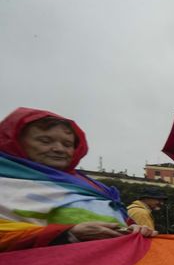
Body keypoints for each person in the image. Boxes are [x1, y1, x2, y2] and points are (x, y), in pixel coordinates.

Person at [0, 107, 155, 251]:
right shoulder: (4, 181)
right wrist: (67, 233)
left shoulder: (93, 186)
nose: (59, 149)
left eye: (67, 144)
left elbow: (121, 221)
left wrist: (135, 229)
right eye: (45, 141)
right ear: (15, 141)